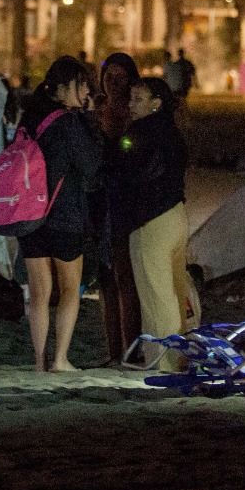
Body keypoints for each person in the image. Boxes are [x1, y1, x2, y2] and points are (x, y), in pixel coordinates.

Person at [20, 57, 103, 372]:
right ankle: (60, 359)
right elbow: (91, 165)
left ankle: (39, 361)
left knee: (39, 294)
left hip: (30, 216)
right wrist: (90, 118)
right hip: (64, 215)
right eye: (83, 85)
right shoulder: (69, 123)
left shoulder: (29, 118)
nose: (86, 92)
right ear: (70, 86)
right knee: (70, 290)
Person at [117, 77, 201, 363]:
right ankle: (182, 356)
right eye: (131, 98)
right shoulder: (173, 132)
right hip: (176, 216)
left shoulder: (140, 133)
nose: (131, 104)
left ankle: (164, 362)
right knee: (177, 292)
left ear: (157, 103)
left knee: (156, 296)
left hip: (150, 222)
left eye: (139, 98)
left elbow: (131, 176)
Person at [96, 52, 144, 363]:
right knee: (105, 280)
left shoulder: (135, 112)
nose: (114, 82)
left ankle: (131, 349)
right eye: (108, 76)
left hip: (127, 201)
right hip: (100, 200)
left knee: (126, 278)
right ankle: (114, 351)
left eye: (120, 76)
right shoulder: (95, 108)